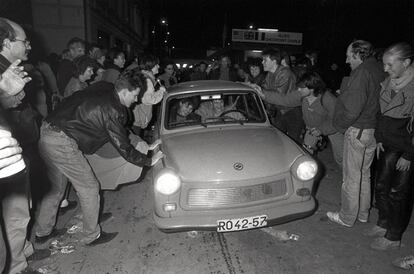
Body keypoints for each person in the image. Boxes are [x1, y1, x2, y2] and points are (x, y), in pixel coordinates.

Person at [34, 68, 164, 247]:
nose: (135, 101)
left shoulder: (105, 86)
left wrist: (144, 145)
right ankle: (91, 235)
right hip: (62, 141)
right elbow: (124, 148)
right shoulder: (113, 109)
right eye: (134, 96)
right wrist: (149, 160)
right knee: (89, 187)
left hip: (47, 129)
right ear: (124, 92)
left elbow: (121, 132)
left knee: (57, 187)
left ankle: (43, 232)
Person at [0, 17, 51, 274]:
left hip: (18, 149)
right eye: (24, 41)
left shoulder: (11, 68)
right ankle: (15, 266)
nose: (29, 45)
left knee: (22, 210)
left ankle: (22, 253)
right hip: (6, 160)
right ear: (7, 43)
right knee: (14, 213)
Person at [327, 40, 386, 227]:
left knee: (351, 177)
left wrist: (340, 126)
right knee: (364, 174)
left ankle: (346, 217)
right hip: (373, 130)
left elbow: (353, 110)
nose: (346, 60)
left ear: (357, 54)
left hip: (358, 130)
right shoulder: (379, 68)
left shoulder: (361, 72)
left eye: (348, 55)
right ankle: (362, 214)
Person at [363, 42, 414, 251]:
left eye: (390, 65)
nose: (385, 69)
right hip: (387, 143)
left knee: (397, 193)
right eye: (384, 64)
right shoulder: (388, 82)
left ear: (407, 63)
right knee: (381, 187)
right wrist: (379, 137)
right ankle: (383, 223)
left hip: (406, 148)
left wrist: (410, 155)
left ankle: (393, 237)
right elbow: (380, 113)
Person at [297, 72, 343, 165]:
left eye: (302, 87)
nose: (298, 89)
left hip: (334, 129)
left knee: (341, 158)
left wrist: (321, 130)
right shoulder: (303, 96)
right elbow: (285, 99)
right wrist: (264, 94)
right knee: (306, 155)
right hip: (312, 129)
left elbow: (336, 119)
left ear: (312, 88)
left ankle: (348, 178)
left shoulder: (328, 98)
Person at [260, 48, 303, 143]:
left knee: (294, 142)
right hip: (281, 111)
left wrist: (260, 90)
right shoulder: (270, 74)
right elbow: (264, 89)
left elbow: (279, 95)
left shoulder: (285, 73)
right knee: (278, 140)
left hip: (292, 111)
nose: (262, 62)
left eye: (265, 60)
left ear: (274, 61)